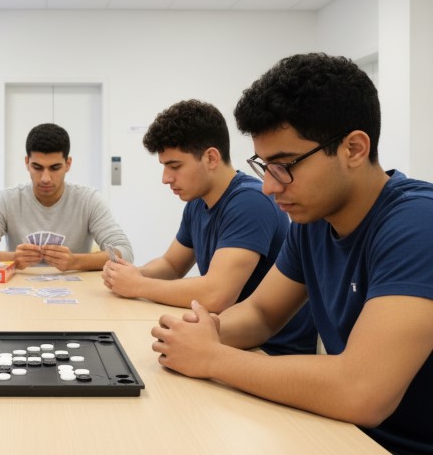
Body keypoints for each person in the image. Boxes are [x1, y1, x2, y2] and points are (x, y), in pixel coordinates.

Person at [151, 53, 433, 454]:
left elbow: (361, 391)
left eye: (285, 165)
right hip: (339, 432)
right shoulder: (313, 220)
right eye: (264, 165)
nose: (269, 186)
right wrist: (204, 333)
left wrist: (212, 358)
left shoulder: (418, 223)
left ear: (353, 148)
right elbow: (261, 313)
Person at [103, 100, 316, 355]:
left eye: (174, 166)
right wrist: (130, 275)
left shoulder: (250, 201)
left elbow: (217, 294)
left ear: (211, 158)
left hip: (269, 350)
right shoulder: (198, 202)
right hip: (226, 337)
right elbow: (172, 265)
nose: (166, 178)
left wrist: (138, 285)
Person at [0, 123, 133, 271]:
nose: (45, 178)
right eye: (37, 167)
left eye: (55, 167)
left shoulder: (89, 200)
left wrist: (75, 262)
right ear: (27, 162)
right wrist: (12, 258)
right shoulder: (8, 200)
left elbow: (124, 252)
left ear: (68, 164)